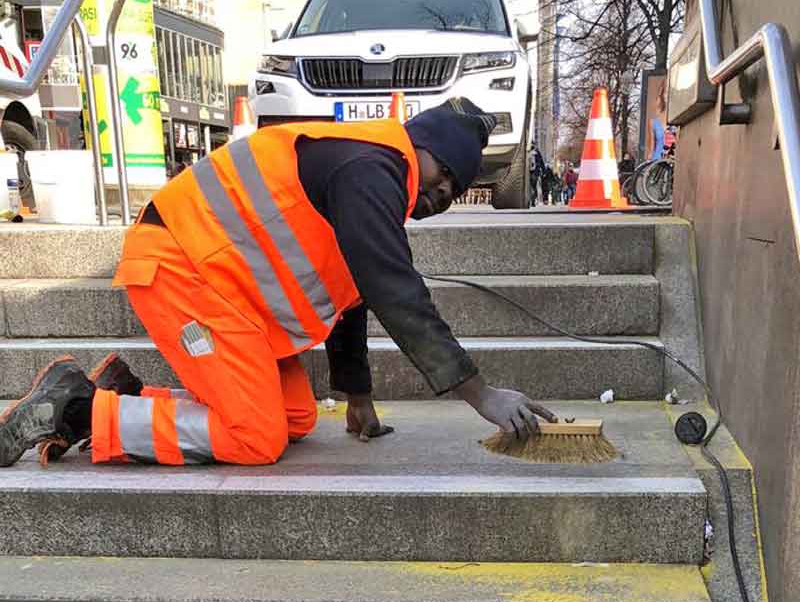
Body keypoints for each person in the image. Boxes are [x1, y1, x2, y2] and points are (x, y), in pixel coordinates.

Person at [0, 98, 555, 470]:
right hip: (181, 272)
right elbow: (395, 288)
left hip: (227, 296)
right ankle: (76, 410)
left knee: (296, 418)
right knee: (255, 437)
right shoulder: (373, 168)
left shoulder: (369, 178)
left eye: (455, 191)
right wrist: (478, 393)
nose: (442, 195)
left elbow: (354, 299)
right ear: (420, 149)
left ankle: (124, 394)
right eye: (446, 175)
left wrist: (357, 399)